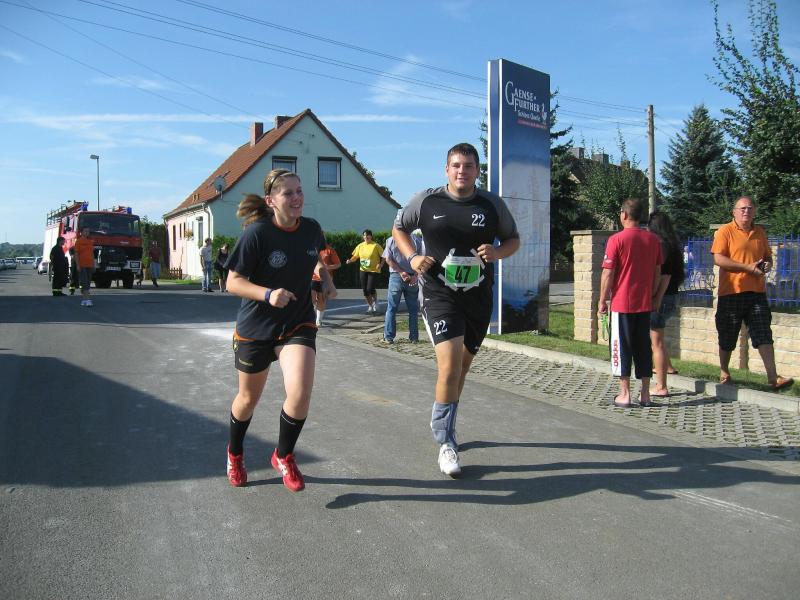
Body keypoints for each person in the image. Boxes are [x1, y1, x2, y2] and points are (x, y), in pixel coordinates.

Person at [393, 142, 520, 477]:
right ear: (446, 170)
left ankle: (447, 419)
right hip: (439, 294)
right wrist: (413, 257)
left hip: (478, 298)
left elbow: (513, 239)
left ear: (477, 170)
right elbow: (399, 228)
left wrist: (498, 253)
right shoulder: (426, 200)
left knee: (461, 370)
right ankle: (445, 440)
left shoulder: (491, 204)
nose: (462, 171)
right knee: (449, 366)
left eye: (469, 166)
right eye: (456, 165)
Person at [224, 168, 337, 492]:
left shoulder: (311, 229)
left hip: (297, 321)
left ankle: (284, 455)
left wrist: (326, 280)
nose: (297, 197)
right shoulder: (257, 234)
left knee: (299, 393)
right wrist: (268, 294)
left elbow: (317, 259)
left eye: (299, 191)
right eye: (288, 193)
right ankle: (235, 454)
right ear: (271, 201)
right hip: (256, 328)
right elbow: (232, 282)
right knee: (248, 399)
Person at [711, 196, 794, 390]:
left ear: (754, 211)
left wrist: (768, 264)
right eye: (742, 209)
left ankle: (773, 377)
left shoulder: (760, 232)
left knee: (763, 333)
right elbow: (719, 259)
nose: (746, 211)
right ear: (734, 212)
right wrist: (747, 267)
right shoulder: (725, 231)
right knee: (727, 335)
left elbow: (767, 257)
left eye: (749, 208)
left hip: (757, 292)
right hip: (731, 292)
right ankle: (724, 371)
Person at [598, 198, 663, 408]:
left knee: (620, 347)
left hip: (621, 304)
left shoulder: (616, 239)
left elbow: (608, 273)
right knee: (643, 347)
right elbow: (657, 272)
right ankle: (645, 393)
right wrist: (652, 295)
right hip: (644, 304)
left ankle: (624, 394)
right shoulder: (653, 240)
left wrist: (602, 300)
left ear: (624, 215)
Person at [648, 210, 684, 396]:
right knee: (658, 339)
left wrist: (655, 298)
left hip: (661, 297)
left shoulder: (661, 245)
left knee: (656, 342)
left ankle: (661, 386)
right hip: (672, 296)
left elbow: (665, 275)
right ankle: (668, 367)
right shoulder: (673, 244)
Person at [382, 230, 422, 343]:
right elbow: (421, 260)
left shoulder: (391, 240)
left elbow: (388, 259)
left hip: (396, 276)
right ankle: (414, 337)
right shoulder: (417, 240)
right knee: (413, 309)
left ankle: (389, 337)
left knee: (392, 308)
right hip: (412, 275)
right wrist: (415, 275)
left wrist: (400, 271)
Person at [345, 229, 384, 314]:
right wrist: (350, 260)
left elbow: (384, 256)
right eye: (364, 235)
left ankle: (375, 303)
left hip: (374, 270)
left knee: (370, 288)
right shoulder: (360, 246)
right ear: (363, 237)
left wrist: (381, 264)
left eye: (368, 235)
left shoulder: (376, 245)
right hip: (363, 270)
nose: (366, 237)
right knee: (365, 290)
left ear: (371, 236)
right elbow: (355, 256)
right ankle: (370, 306)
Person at [311, 241, 341, 326]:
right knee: (311, 299)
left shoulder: (330, 250)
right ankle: (311, 317)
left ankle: (318, 319)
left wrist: (327, 267)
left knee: (321, 299)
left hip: (324, 279)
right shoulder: (311, 248)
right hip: (312, 277)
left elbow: (338, 264)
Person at [74, 227, 96, 307]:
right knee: (85, 282)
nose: (87, 232)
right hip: (82, 265)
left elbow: (92, 254)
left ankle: (84, 300)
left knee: (88, 283)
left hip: (90, 265)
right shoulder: (78, 241)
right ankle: (88, 300)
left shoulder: (90, 242)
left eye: (88, 231)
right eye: (85, 231)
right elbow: (76, 254)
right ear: (82, 232)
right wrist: (78, 265)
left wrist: (94, 264)